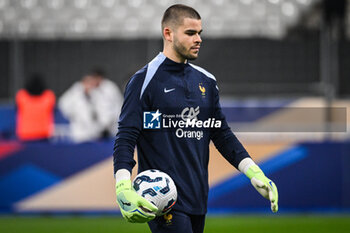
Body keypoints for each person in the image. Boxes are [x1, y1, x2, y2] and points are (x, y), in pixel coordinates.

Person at [113, 4, 278, 233]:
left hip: (198, 198)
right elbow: (127, 135)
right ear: (168, 34)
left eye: (200, 33)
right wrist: (122, 185)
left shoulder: (207, 82)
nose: (198, 39)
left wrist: (253, 172)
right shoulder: (144, 81)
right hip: (164, 200)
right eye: (190, 33)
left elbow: (221, 133)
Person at [58, 70, 123, 143]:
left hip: (95, 135)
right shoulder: (75, 94)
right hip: (79, 135)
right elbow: (63, 105)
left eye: (91, 83)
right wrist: (73, 115)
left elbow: (105, 113)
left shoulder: (97, 95)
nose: (89, 86)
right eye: (87, 83)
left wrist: (102, 126)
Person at [15, 74, 55, 141]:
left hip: (26, 135)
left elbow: (16, 110)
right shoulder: (49, 97)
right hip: (43, 135)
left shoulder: (21, 96)